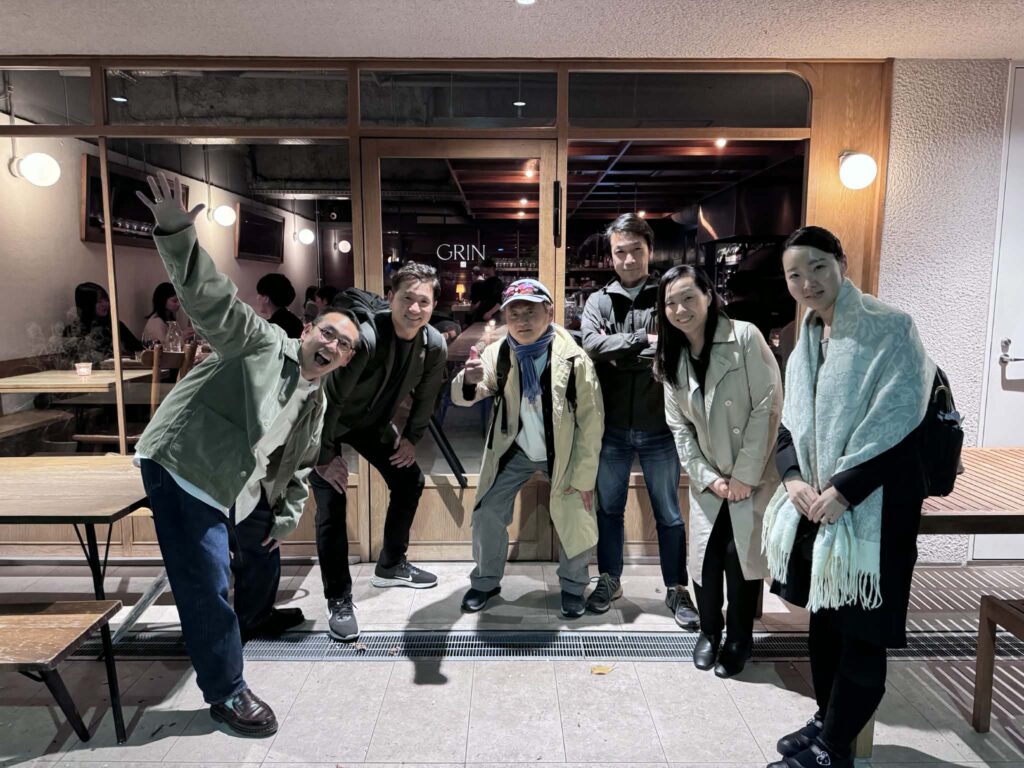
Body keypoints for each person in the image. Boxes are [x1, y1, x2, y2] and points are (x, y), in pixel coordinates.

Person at [132, 172, 360, 738]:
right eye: (329, 334)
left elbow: (298, 465)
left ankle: (254, 616)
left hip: (240, 479)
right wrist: (176, 231)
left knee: (263, 544)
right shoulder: (257, 341)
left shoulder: (316, 398)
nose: (333, 346)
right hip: (186, 467)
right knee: (205, 581)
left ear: (345, 361)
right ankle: (227, 691)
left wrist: (283, 518)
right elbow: (210, 298)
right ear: (307, 329)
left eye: (344, 346)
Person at [763, 226, 933, 768]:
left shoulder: (891, 329)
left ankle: (834, 748)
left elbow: (905, 425)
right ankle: (825, 719)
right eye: (794, 274)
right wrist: (793, 478)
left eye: (818, 267)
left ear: (842, 262)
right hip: (821, 504)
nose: (807, 282)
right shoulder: (807, 336)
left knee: (861, 629)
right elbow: (790, 424)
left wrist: (847, 488)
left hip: (875, 505)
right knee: (825, 621)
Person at [312, 263, 448, 642]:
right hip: (324, 423)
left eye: (423, 301)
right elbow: (331, 398)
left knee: (409, 480)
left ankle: (391, 563)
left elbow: (427, 396)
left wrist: (411, 438)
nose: (414, 309)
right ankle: (339, 599)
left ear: (433, 305)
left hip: (371, 423)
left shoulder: (433, 344)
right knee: (332, 499)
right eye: (407, 298)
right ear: (391, 298)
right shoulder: (367, 338)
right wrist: (324, 456)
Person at [658, 265, 782, 678]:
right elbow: (679, 427)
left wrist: (746, 474)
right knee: (705, 557)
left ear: (708, 296)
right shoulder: (672, 355)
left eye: (688, 298)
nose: (680, 309)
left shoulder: (744, 336)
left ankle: (739, 638)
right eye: (671, 303)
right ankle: (709, 632)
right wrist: (707, 476)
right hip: (710, 476)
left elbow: (768, 405)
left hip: (752, 472)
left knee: (739, 556)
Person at [453, 279, 604, 618]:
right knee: (487, 511)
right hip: (516, 449)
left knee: (577, 511)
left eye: (530, 312)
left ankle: (573, 587)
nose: (522, 321)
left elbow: (592, 423)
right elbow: (472, 392)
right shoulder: (498, 353)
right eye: (514, 314)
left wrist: (584, 477)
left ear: (549, 313)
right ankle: (486, 581)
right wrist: (469, 380)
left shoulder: (574, 359)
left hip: (561, 453)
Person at [580, 213, 699, 630]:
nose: (628, 259)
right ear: (610, 255)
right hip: (610, 426)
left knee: (669, 513)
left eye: (635, 250)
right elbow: (591, 345)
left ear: (649, 250)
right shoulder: (598, 301)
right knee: (609, 509)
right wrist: (641, 342)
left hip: (660, 426)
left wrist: (621, 354)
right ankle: (609, 579)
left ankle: (677, 587)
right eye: (620, 252)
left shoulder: (668, 294)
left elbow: (677, 345)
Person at [62, 281, 144, 364]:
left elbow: (139, 350)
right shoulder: (72, 331)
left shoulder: (114, 325)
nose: (105, 304)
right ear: (87, 304)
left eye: (106, 300)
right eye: (99, 301)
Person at [141, 281, 192, 347]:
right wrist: (182, 337)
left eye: (179, 300)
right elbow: (162, 347)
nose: (179, 304)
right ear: (163, 301)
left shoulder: (169, 317)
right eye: (174, 301)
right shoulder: (156, 322)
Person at [257, 272, 304, 338]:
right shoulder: (295, 321)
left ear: (266, 298)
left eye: (259, 294)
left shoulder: (270, 327)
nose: (257, 298)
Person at [469, 257, 504, 323]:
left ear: (493, 268)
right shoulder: (478, 284)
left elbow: (500, 301)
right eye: (485, 267)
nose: (487, 269)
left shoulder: (498, 283)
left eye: (489, 267)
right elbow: (474, 304)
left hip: (492, 316)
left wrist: (490, 313)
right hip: (482, 316)